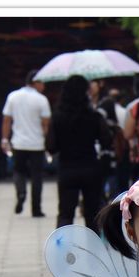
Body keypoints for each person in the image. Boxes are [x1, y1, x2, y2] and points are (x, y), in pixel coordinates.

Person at [46, 75, 111, 228]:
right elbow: (106, 141)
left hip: (67, 168)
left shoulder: (57, 117)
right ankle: (93, 248)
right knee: (92, 213)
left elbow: (51, 146)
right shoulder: (94, 116)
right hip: (90, 167)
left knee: (65, 213)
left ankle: (61, 249)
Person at [2, 70, 51, 218]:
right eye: (42, 83)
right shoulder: (41, 99)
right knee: (37, 177)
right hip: (37, 144)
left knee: (19, 171)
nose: (44, 86)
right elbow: (45, 125)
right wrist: (48, 143)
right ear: (36, 82)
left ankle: (21, 192)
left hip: (18, 142)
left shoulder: (13, 96)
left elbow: (7, 120)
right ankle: (36, 209)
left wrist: (5, 139)